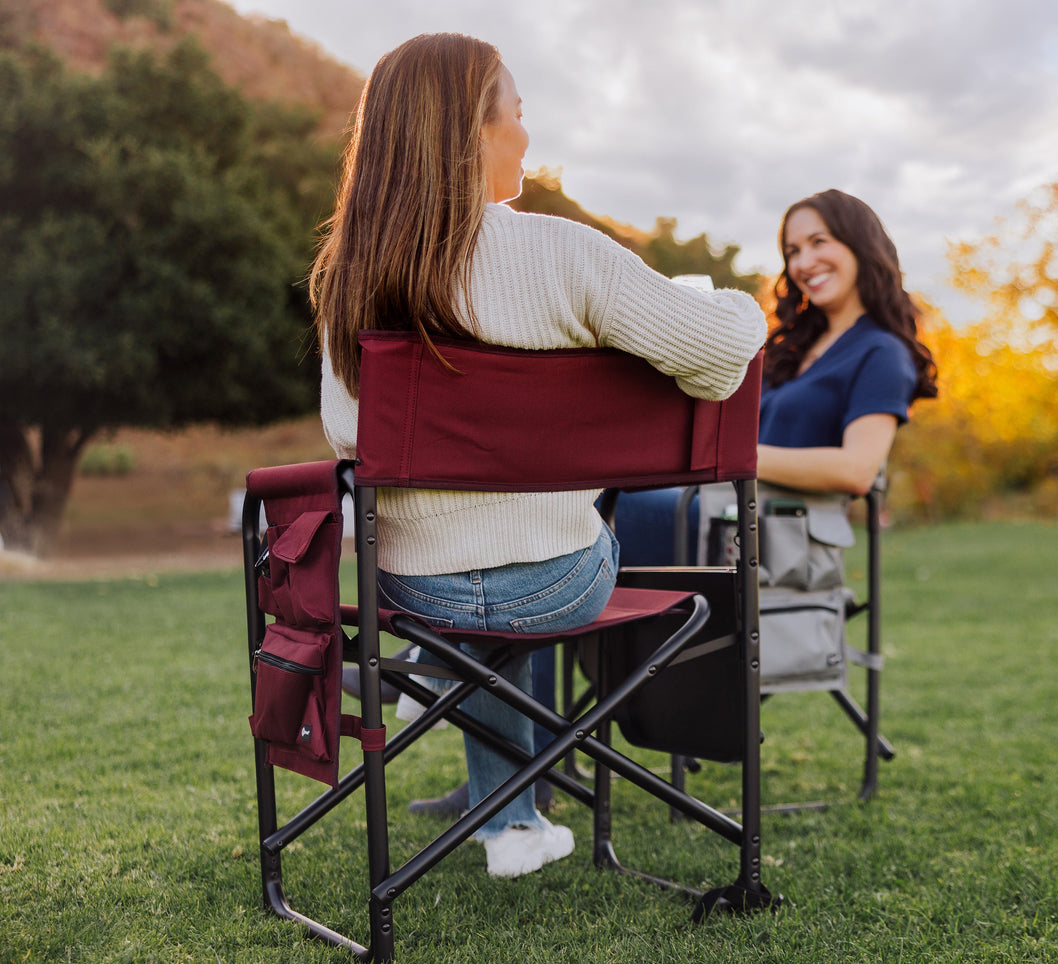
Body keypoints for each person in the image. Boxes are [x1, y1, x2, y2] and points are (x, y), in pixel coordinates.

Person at [310, 33, 765, 879]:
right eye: (517, 115)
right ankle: (507, 811)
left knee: (478, 619)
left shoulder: (349, 273)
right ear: (471, 132)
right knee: (536, 575)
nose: (527, 134)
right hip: (556, 579)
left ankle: (503, 806)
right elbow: (717, 351)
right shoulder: (562, 253)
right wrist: (741, 304)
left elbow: (347, 434)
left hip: (409, 585)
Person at [613, 188, 937, 564]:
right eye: (793, 251)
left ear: (860, 246)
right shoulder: (791, 350)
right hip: (728, 509)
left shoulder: (881, 352)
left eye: (819, 242)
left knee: (616, 504)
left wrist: (734, 456)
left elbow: (857, 470)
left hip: (779, 531)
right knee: (600, 486)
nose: (804, 262)